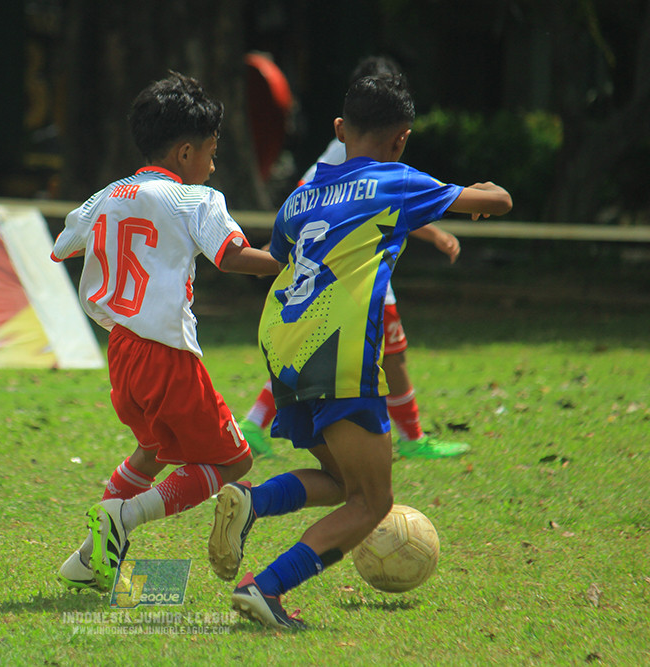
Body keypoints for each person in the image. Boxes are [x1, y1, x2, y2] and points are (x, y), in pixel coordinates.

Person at [209, 74, 511, 629]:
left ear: (340, 130)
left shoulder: (299, 197)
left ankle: (251, 501)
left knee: (344, 484)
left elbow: (278, 258)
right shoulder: (397, 179)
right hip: (341, 351)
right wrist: (487, 188)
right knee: (371, 503)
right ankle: (266, 589)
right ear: (401, 139)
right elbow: (496, 201)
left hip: (283, 347)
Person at [51, 72, 281, 592]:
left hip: (122, 350)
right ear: (184, 153)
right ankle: (124, 519)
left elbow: (63, 245)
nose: (213, 165)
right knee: (234, 460)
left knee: (153, 451)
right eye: (212, 152)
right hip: (166, 351)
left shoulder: (105, 196)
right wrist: (292, 262)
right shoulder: (195, 199)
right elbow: (233, 256)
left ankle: (88, 559)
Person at [241, 55, 471, 460]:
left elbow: (382, 202)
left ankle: (255, 423)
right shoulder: (340, 153)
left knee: (339, 348)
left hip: (359, 259)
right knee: (376, 352)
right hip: (349, 271)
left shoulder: (353, 147)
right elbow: (332, 199)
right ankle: (412, 439)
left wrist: (433, 234)